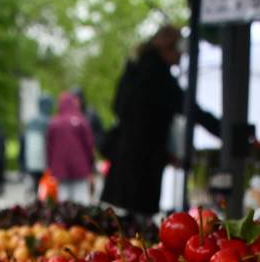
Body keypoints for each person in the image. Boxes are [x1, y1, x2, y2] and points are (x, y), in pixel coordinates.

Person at [102, 25, 220, 220]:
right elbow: (190, 109)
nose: (180, 59)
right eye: (179, 53)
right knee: (136, 225)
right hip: (143, 163)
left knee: (124, 224)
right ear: (168, 48)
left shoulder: (135, 67)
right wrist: (223, 130)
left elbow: (117, 106)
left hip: (126, 157)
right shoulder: (156, 73)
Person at [47, 92, 95, 204]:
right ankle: (80, 220)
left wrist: (50, 166)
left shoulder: (54, 123)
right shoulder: (82, 121)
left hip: (60, 168)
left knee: (64, 198)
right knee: (81, 198)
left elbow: (49, 148)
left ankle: (64, 220)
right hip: (80, 167)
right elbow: (89, 145)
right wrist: (90, 166)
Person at [21, 95, 52, 192]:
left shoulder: (31, 121)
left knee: (37, 185)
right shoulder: (49, 121)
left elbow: (24, 142)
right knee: (44, 186)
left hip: (32, 161)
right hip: (44, 160)